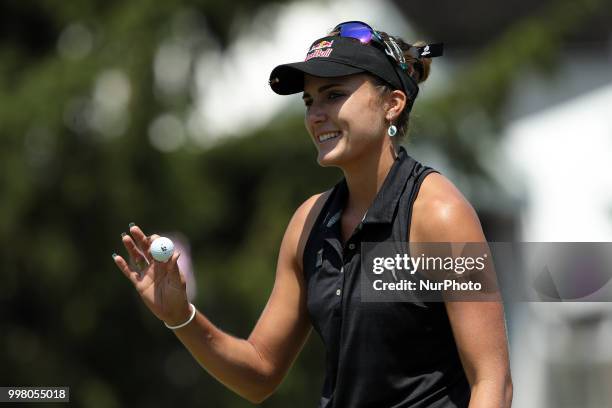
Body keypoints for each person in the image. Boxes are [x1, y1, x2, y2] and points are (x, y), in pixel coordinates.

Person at [112, 21, 512, 407]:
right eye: (309, 101)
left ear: (392, 104)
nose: (315, 114)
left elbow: (492, 382)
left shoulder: (440, 215)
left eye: (334, 95)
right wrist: (182, 317)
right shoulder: (309, 222)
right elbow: (259, 373)